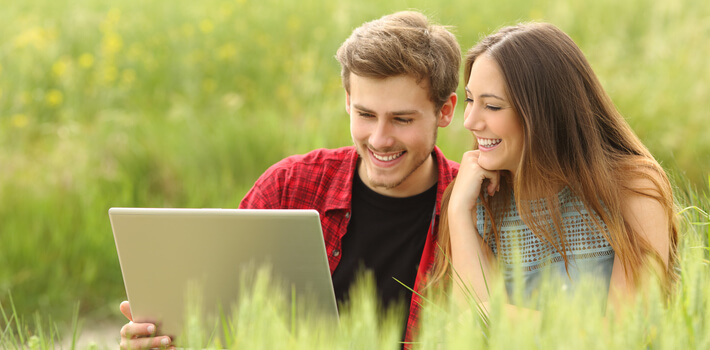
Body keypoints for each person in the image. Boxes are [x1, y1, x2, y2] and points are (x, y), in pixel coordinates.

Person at [119, 11, 461, 349]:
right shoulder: (289, 186)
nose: (379, 139)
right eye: (365, 115)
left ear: (445, 111)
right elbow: (220, 322)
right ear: (347, 101)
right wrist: (163, 340)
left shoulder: (477, 205)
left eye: (401, 119)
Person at [428, 22, 679, 311]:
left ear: (544, 113)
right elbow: (473, 331)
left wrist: (491, 314)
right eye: (470, 100)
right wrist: (459, 213)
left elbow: (628, 332)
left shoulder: (633, 188)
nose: (470, 121)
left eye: (493, 106)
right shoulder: (476, 203)